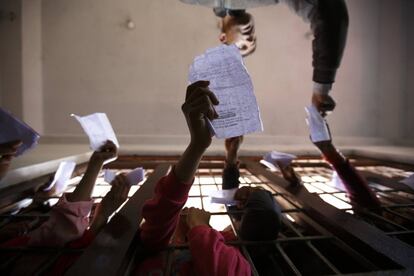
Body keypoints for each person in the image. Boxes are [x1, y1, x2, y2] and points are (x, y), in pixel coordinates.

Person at [134, 80, 252, 275]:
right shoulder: (157, 240)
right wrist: (198, 145)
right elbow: (166, 205)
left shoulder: (227, 240)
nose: (186, 208)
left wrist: (200, 227)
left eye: (249, 195)